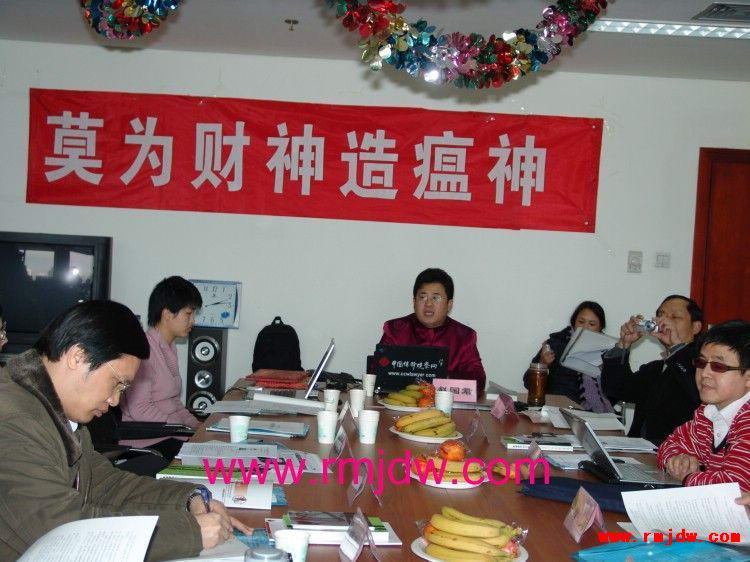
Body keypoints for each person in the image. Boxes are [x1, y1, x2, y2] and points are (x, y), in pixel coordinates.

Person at [0, 300, 249, 561]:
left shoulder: (55, 410)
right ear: (78, 357)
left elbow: (106, 485)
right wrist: (189, 532)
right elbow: (62, 533)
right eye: (117, 383)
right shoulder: (14, 423)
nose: (115, 400)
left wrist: (187, 499)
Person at [658, 321, 750, 490]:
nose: (705, 373)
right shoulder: (707, 412)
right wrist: (677, 460)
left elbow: (734, 487)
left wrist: (687, 477)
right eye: (701, 363)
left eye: (718, 366)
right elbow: (669, 445)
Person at [601, 295, 703, 446]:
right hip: (637, 449)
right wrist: (623, 345)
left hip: (675, 453)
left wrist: (677, 348)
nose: (665, 322)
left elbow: (695, 393)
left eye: (675, 317)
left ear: (696, 327)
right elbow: (616, 389)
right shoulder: (656, 368)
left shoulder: (703, 367)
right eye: (661, 315)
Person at [119, 276, 202, 460]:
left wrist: (196, 425)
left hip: (170, 435)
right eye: (188, 314)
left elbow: (173, 402)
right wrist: (182, 429)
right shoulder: (144, 350)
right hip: (147, 443)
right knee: (207, 461)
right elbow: (139, 409)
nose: (193, 321)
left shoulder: (169, 347)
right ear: (167, 314)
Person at [380, 268, 486, 390]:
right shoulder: (395, 330)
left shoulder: (464, 336)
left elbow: (478, 379)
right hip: (401, 400)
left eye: (436, 298)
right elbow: (378, 369)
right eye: (422, 297)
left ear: (449, 305)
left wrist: (441, 378)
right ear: (414, 302)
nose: (428, 304)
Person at [523, 301, 614, 412]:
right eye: (581, 322)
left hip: (593, 414)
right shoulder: (556, 344)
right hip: (556, 410)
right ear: (573, 322)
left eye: (591, 324)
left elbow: (615, 393)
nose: (585, 328)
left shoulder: (607, 352)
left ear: (600, 328)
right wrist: (542, 364)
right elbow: (528, 383)